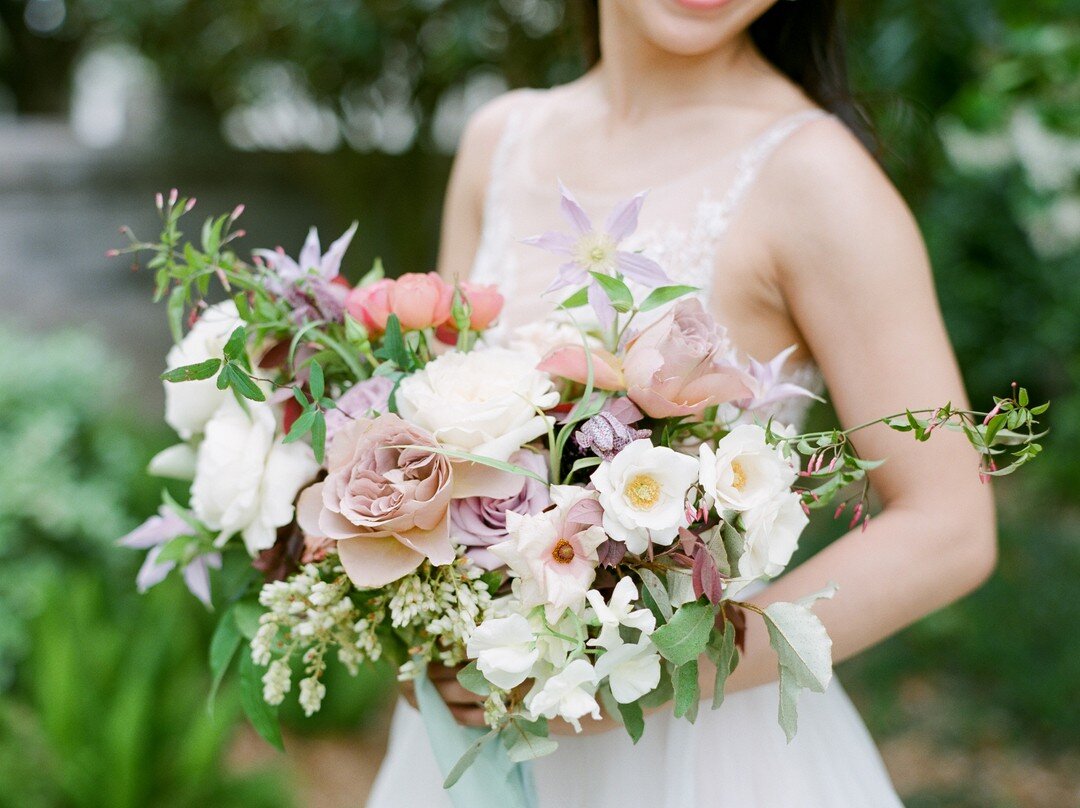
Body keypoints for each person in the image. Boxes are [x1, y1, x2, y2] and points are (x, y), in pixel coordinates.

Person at [367, 1, 996, 804]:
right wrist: (408, 621)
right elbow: (434, 434)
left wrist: (648, 673)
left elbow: (951, 529)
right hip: (463, 739)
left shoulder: (816, 175)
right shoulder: (502, 139)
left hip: (694, 757)